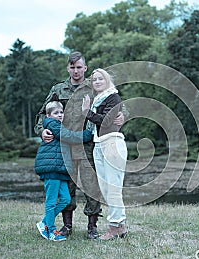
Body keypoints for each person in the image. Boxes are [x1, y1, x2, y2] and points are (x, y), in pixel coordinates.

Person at [34, 51, 127, 239]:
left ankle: (92, 226)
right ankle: (67, 225)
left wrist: (123, 115)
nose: (76, 71)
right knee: (67, 185)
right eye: (72, 67)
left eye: (79, 67)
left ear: (85, 68)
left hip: (88, 144)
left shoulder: (94, 86)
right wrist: (41, 130)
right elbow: (43, 114)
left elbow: (116, 101)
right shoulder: (58, 89)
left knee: (92, 185)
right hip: (64, 145)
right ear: (68, 68)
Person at [35, 100, 92, 242]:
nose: (60, 115)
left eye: (61, 112)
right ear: (48, 115)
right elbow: (70, 136)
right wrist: (87, 134)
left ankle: (44, 223)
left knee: (66, 199)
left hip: (59, 168)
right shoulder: (52, 124)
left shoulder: (59, 125)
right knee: (51, 201)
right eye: (56, 113)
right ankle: (51, 230)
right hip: (52, 167)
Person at [82, 68, 128, 241]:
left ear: (107, 80)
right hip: (99, 144)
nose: (98, 82)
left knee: (113, 189)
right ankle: (120, 226)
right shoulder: (97, 100)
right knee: (106, 189)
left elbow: (107, 121)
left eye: (101, 78)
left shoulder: (113, 97)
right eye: (94, 80)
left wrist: (87, 112)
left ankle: (113, 228)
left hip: (111, 143)